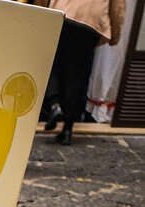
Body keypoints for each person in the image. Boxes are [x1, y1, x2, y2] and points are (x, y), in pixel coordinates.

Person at [41, 0, 126, 145]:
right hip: (90, 23)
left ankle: (55, 105)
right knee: (77, 75)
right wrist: (115, 35)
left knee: (53, 63)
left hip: (63, 15)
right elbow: (117, 8)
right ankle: (67, 129)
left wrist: (41, 14)